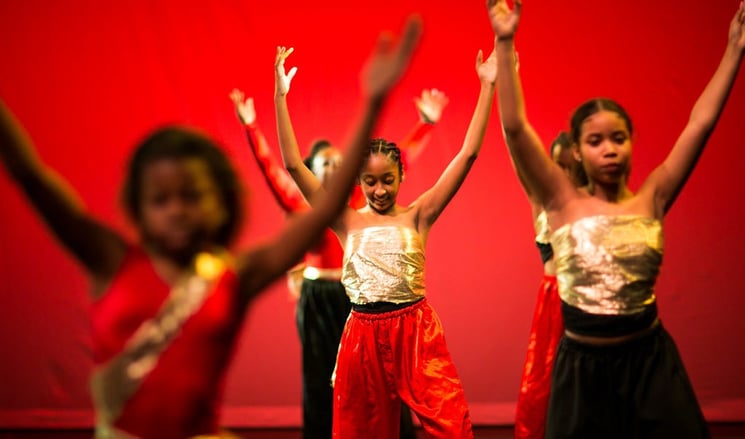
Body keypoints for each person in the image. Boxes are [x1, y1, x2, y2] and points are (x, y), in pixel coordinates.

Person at [0, 15, 422, 439]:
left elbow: (323, 207)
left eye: (192, 197)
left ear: (220, 204)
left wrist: (373, 103)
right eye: (161, 200)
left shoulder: (231, 277)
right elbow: (30, 176)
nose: (177, 211)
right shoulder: (111, 261)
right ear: (138, 206)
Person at [488, 0, 745, 437]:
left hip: (650, 367)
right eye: (595, 140)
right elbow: (515, 128)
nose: (609, 148)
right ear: (577, 151)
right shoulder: (559, 201)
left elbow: (700, 125)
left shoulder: (652, 197)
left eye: (618, 138)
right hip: (582, 372)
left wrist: (735, 49)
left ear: (631, 144)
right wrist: (506, 39)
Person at [273, 35, 497, 437]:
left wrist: (488, 87)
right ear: (358, 181)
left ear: (401, 177)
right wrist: (280, 96)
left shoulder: (419, 215)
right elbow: (292, 164)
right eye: (371, 182)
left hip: (415, 330)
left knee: (451, 423)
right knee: (361, 429)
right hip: (362, 332)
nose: (380, 191)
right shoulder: (344, 219)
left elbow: (467, 155)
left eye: (388, 181)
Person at [229, 87, 448, 439]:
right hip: (317, 297)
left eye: (337, 163)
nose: (333, 167)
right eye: (324, 164)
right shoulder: (301, 204)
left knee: (381, 378)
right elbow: (274, 167)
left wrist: (426, 123)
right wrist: (252, 126)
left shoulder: (357, 203)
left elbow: (397, 159)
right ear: (313, 171)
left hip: (354, 299)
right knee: (320, 379)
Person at [513, 132, 581, 439]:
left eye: (571, 167)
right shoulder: (541, 202)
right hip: (553, 302)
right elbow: (518, 155)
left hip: (585, 302)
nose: (563, 174)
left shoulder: (593, 206)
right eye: (557, 165)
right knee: (545, 382)